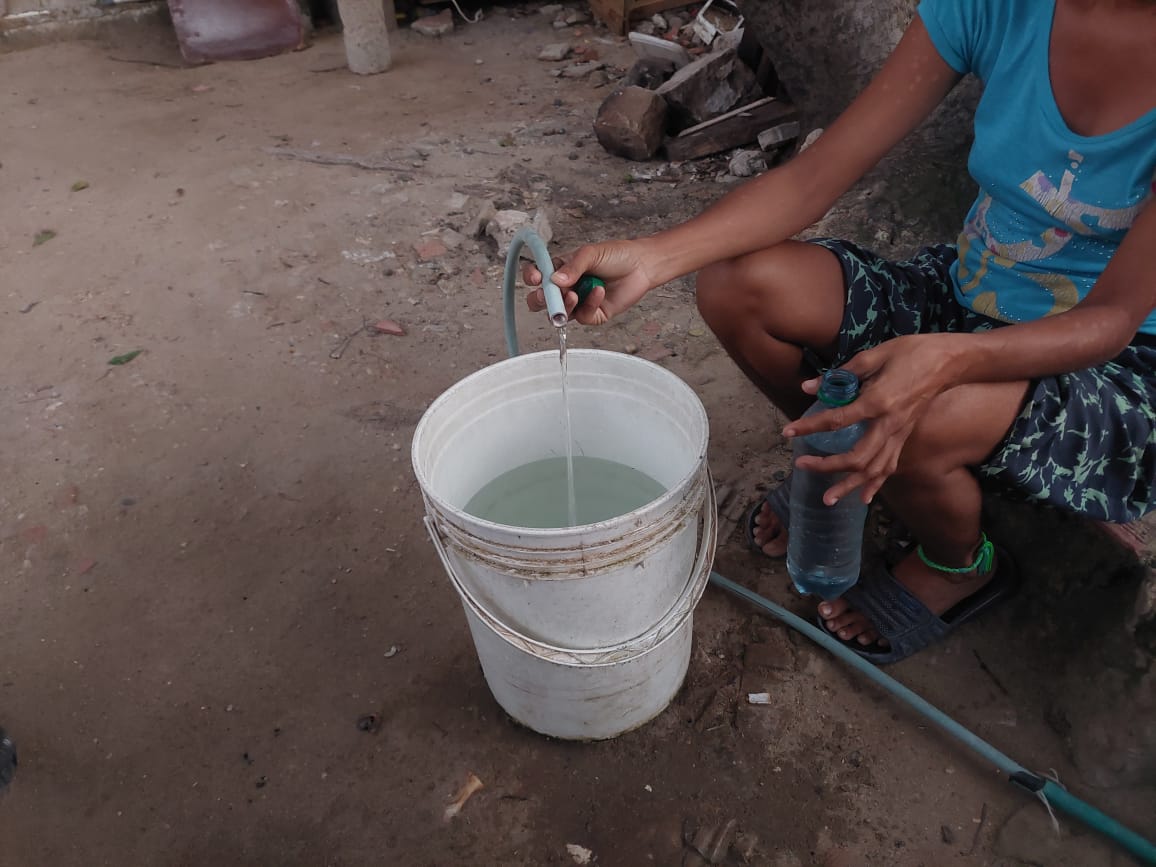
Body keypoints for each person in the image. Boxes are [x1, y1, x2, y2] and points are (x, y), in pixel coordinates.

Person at [524, 0, 1156, 663]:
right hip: (967, 295)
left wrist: (946, 361)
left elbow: (1109, 321)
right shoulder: (998, 7)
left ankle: (960, 562)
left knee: (914, 408)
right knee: (735, 284)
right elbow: (816, 177)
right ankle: (840, 467)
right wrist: (653, 259)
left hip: (1111, 364)